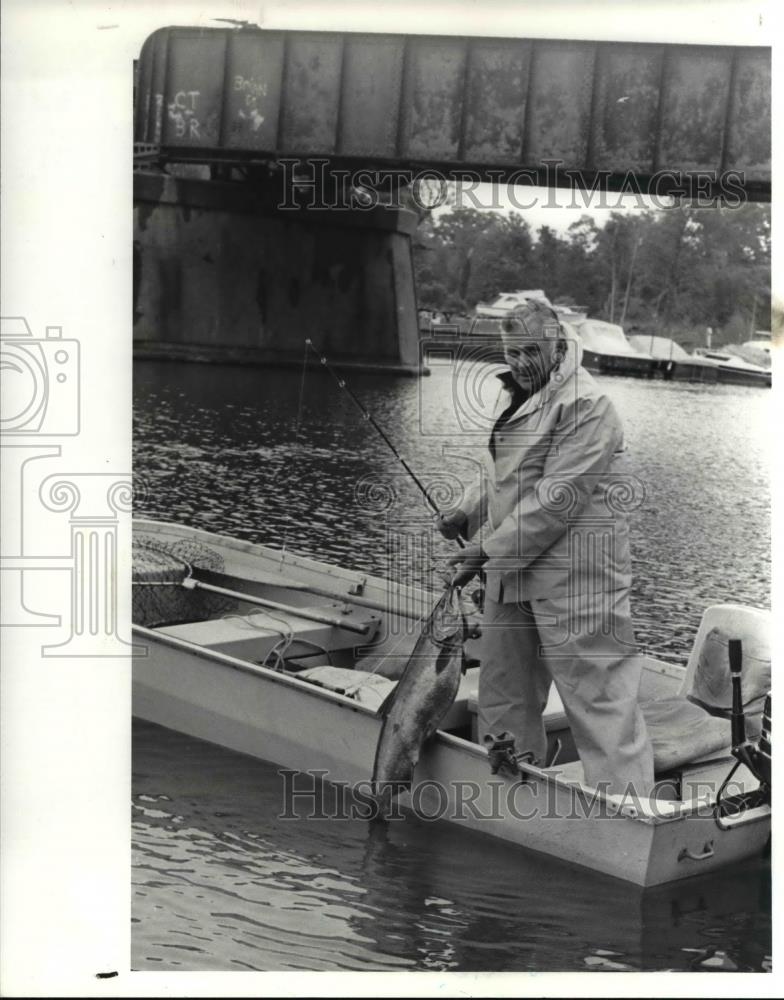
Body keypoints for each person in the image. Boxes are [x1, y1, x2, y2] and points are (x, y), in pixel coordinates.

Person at [436, 299, 654, 798]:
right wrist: (467, 513)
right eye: (513, 352)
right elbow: (508, 478)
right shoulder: (519, 396)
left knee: (600, 701)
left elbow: (556, 498)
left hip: (576, 580)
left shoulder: (587, 405)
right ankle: (513, 795)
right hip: (512, 572)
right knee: (503, 695)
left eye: (532, 350)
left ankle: (630, 813)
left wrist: (486, 551)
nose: (521, 362)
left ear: (558, 344)